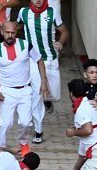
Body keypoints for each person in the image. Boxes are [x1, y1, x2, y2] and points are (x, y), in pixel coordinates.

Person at [0, 21, 47, 156]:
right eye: (7, 32)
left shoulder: (26, 45)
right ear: (2, 32)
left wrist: (43, 82)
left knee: (25, 122)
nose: (10, 35)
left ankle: (23, 142)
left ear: (16, 33)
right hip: (7, 91)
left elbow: (39, 60)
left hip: (25, 90)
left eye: (12, 32)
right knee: (5, 123)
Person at [17, 0, 68, 138]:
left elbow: (64, 32)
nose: (38, 1)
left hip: (50, 58)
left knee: (55, 95)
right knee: (36, 94)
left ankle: (47, 99)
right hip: (33, 60)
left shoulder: (53, 12)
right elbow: (17, 27)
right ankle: (38, 131)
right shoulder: (23, 12)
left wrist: (61, 42)